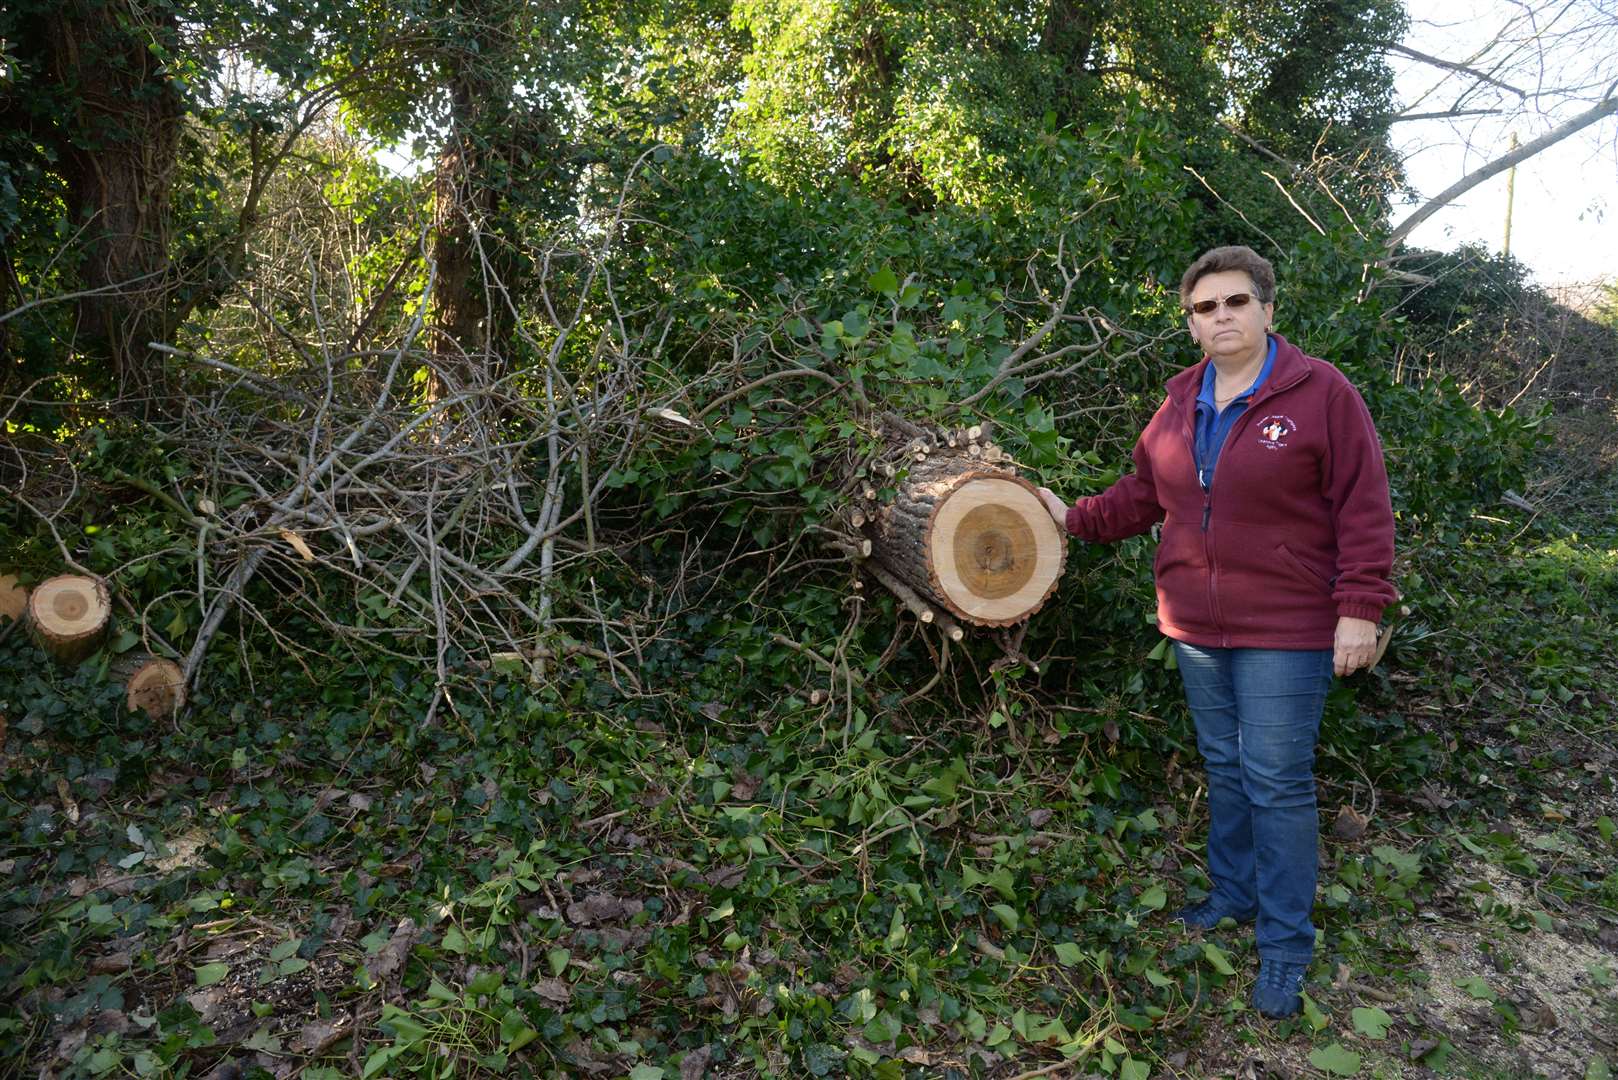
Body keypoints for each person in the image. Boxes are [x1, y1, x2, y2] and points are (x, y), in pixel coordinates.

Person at [1036, 245, 1396, 1019]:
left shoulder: (1320, 392)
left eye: (1236, 301)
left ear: (1268, 309)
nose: (1222, 317)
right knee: (1226, 768)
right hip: (1196, 625)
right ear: (1191, 324)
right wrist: (1070, 516)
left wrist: (1360, 608)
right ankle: (1232, 894)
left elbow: (1363, 504)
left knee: (1274, 778)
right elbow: (1144, 492)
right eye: (1206, 308)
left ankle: (1286, 943)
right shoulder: (1179, 401)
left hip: (1288, 628)